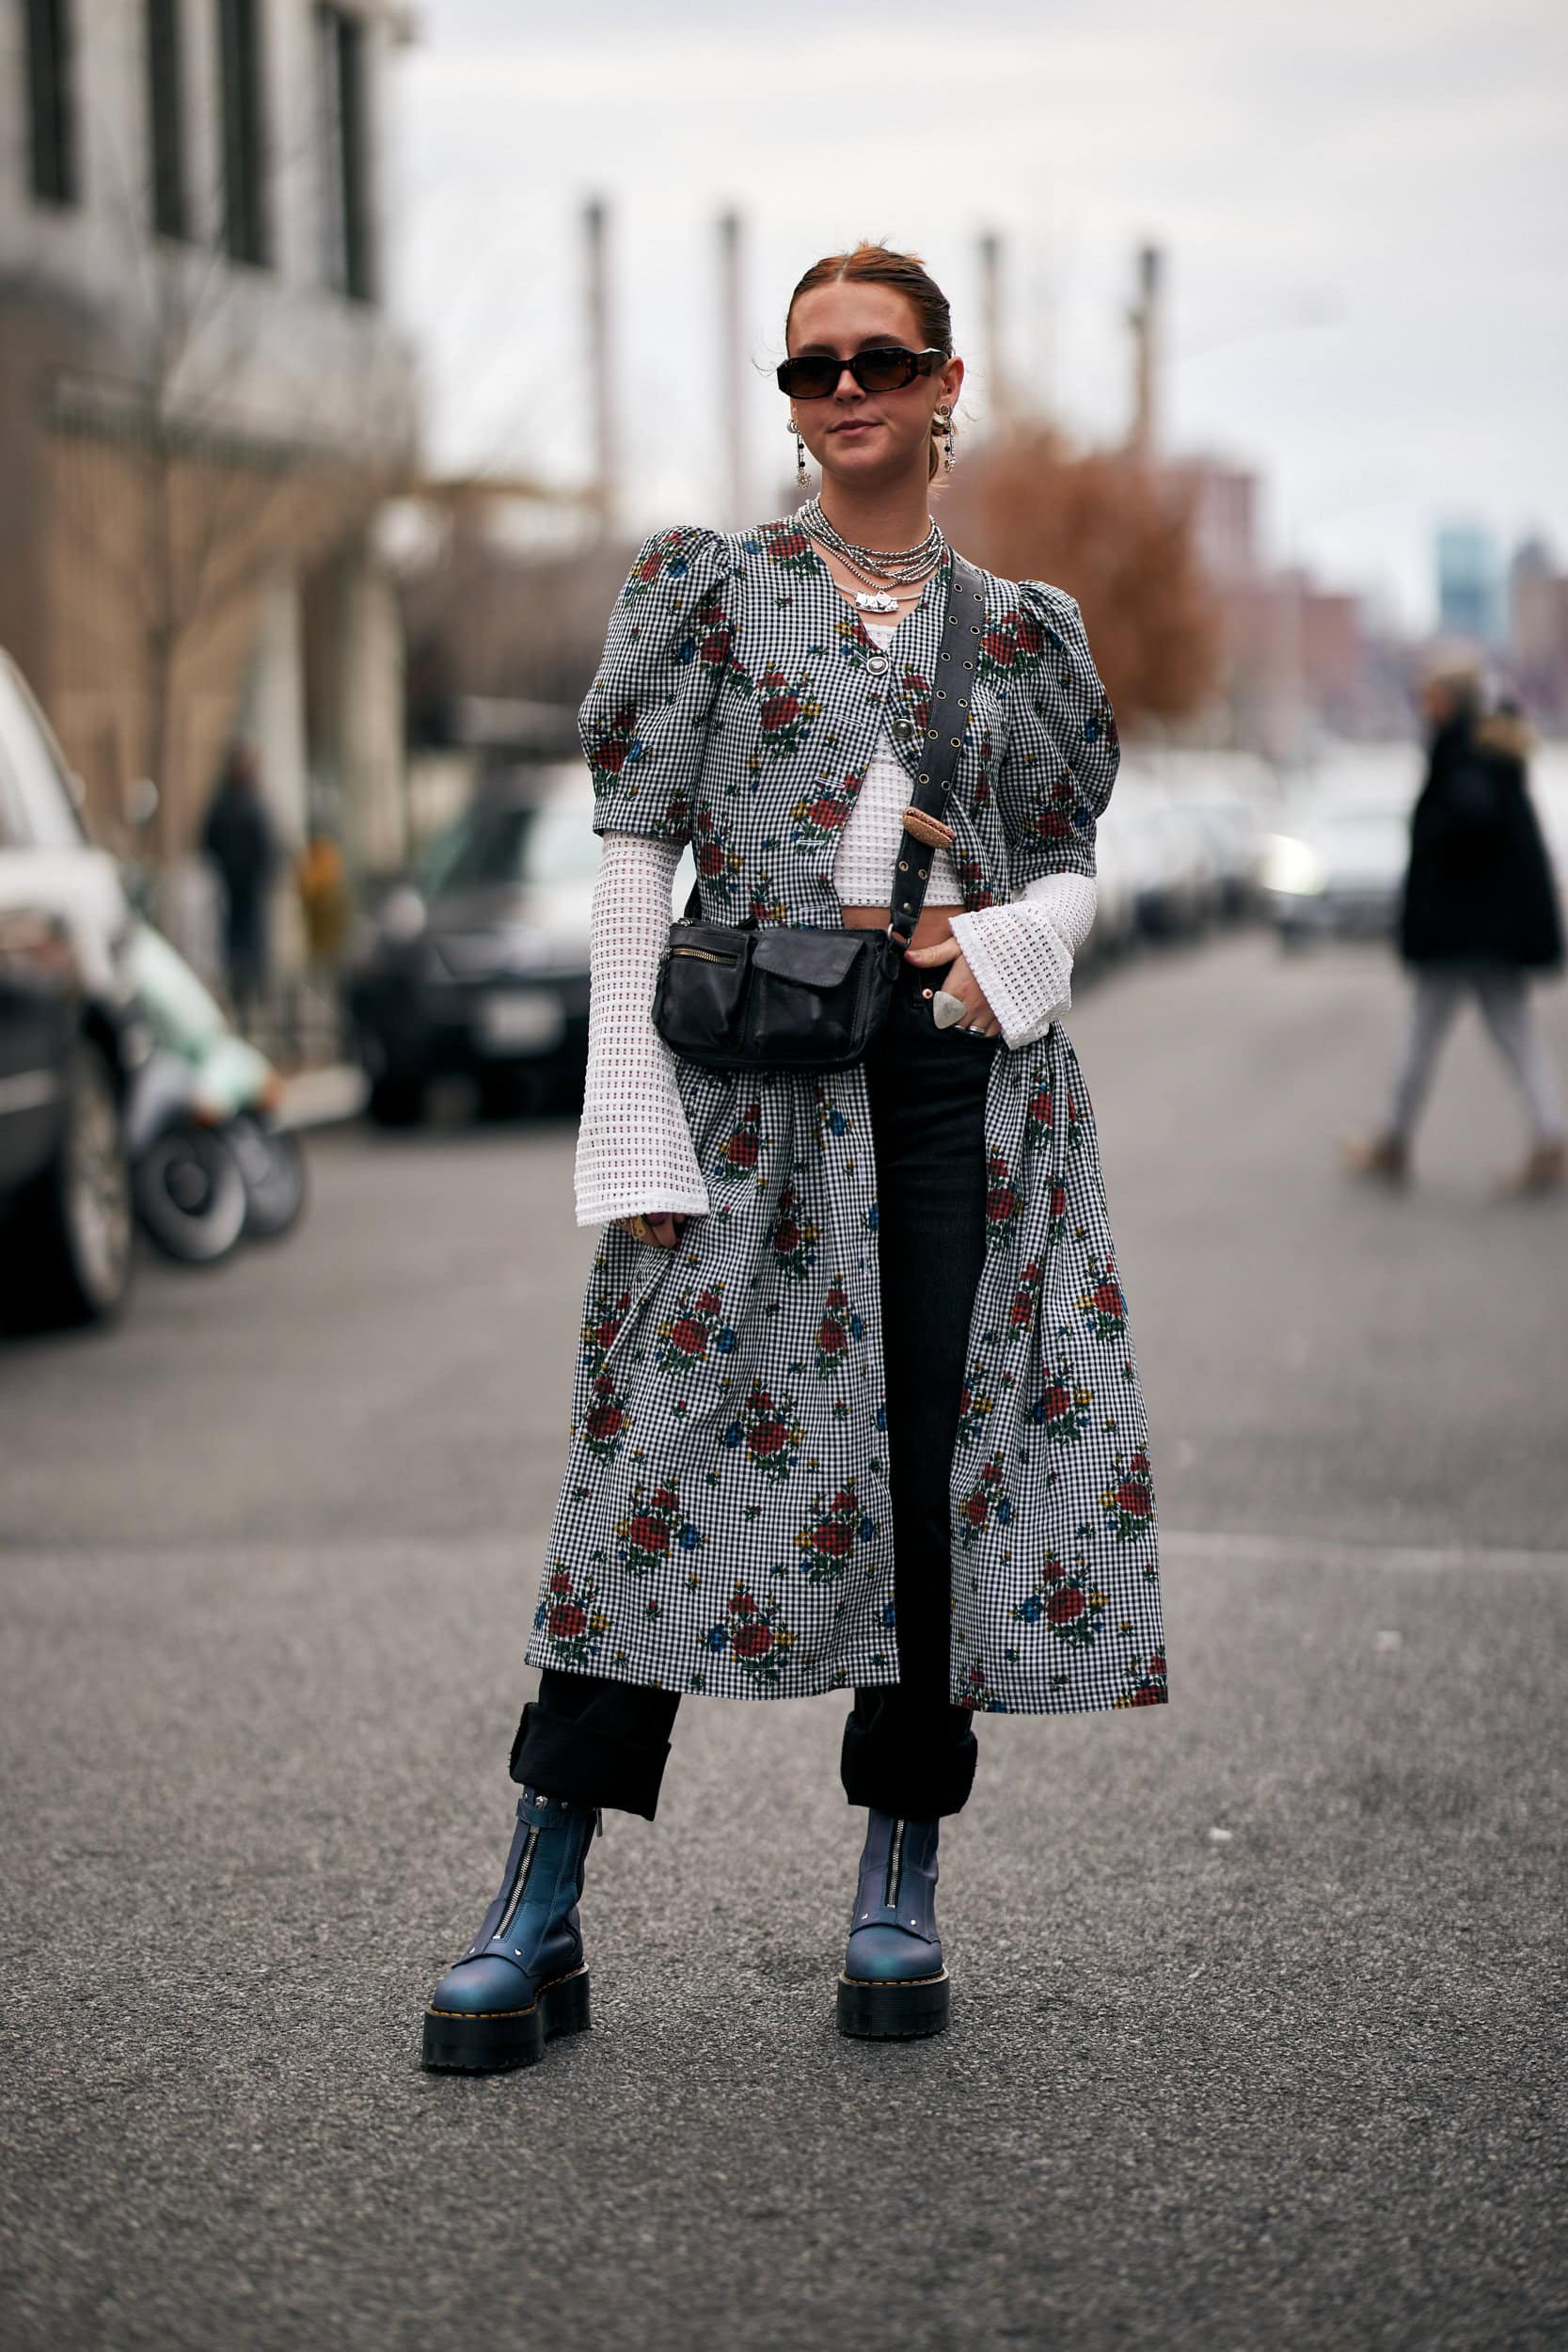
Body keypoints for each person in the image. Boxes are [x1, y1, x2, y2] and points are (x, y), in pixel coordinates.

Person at [420, 244, 1168, 2074]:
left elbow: (1071, 856)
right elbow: (632, 851)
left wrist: (1016, 941)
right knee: (646, 1468)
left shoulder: (1020, 631)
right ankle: (540, 1893)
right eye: (808, 367)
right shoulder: (705, 591)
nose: (841, 391)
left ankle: (898, 1866)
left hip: (951, 1095)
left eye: (876, 360)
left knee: (930, 1469)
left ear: (940, 383)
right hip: (739, 1093)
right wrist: (624, 1116)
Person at [1344, 665, 1565, 1193]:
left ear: (1449, 700)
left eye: (1431, 695)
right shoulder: (1488, 753)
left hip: (1461, 935)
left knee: (1425, 1036)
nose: (1424, 703)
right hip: (1486, 934)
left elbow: (1468, 828)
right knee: (1509, 1034)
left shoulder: (1464, 756)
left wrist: (1438, 879)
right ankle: (1548, 1136)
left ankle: (1395, 1141)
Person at [201, 742, 279, 1037]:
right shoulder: (228, 806)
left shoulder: (252, 805)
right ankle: (242, 1001)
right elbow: (208, 842)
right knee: (239, 951)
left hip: (249, 893)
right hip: (232, 893)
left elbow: (269, 849)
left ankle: (250, 1002)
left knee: (251, 950)